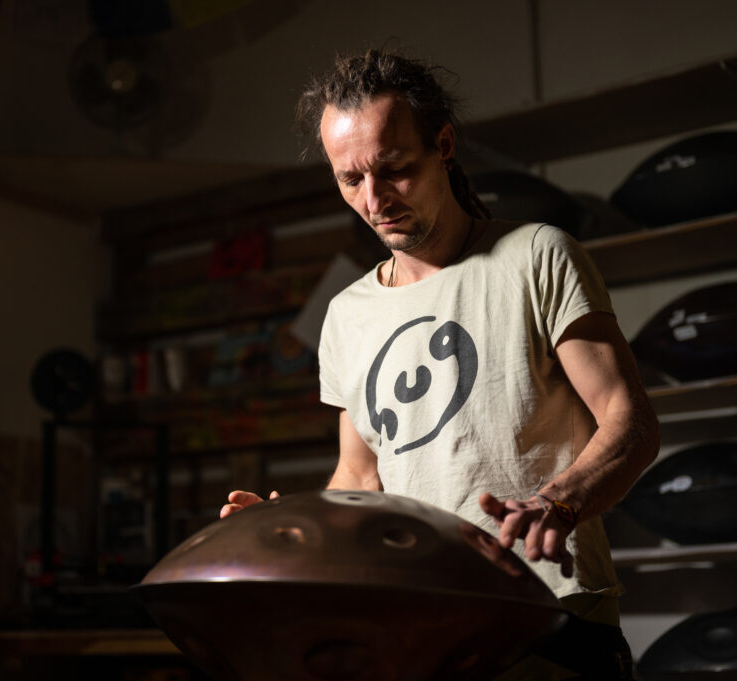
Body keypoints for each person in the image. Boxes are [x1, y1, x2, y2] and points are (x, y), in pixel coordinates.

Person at [221, 49, 659, 680]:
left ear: (444, 145)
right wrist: (285, 527)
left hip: (549, 615)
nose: (375, 199)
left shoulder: (536, 256)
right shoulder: (347, 314)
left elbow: (631, 420)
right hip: (419, 625)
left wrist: (557, 504)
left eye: (394, 169)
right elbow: (361, 478)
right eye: (350, 180)